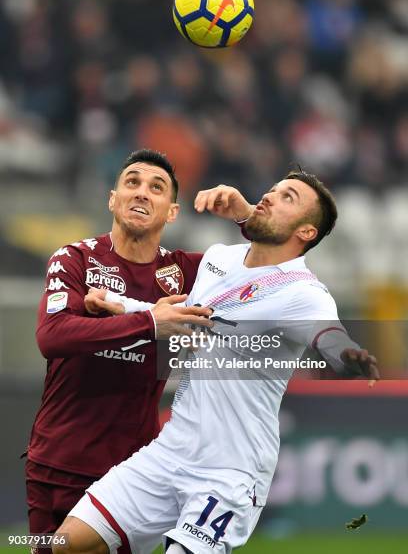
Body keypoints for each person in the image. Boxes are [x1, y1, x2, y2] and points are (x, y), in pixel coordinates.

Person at [52, 170, 379, 554]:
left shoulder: (305, 293)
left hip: (229, 473)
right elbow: (190, 317)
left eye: (288, 197)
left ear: (306, 232)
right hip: (171, 451)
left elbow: (329, 336)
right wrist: (119, 305)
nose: (270, 196)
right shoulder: (219, 259)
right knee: (64, 544)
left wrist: (346, 355)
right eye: (272, 190)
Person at [26, 149, 250, 550]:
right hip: (59, 464)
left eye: (156, 187)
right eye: (132, 182)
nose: (142, 193)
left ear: (172, 212)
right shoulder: (76, 259)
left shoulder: (189, 271)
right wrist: (150, 323)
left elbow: (270, 269)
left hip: (138, 475)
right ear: (113, 199)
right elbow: (52, 336)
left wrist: (246, 217)